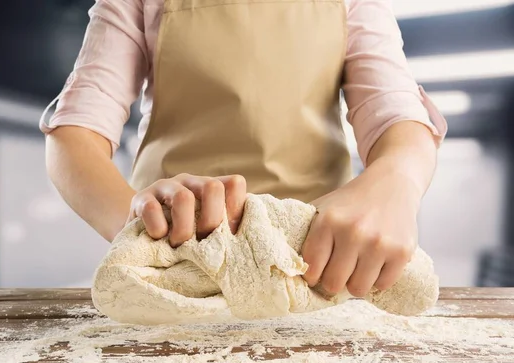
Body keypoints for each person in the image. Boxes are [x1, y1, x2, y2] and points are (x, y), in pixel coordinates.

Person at [40, 0, 447, 299]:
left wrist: (397, 178)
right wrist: (135, 226)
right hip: (176, 259)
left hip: (315, 266)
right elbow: (76, 133)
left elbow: (397, 115)